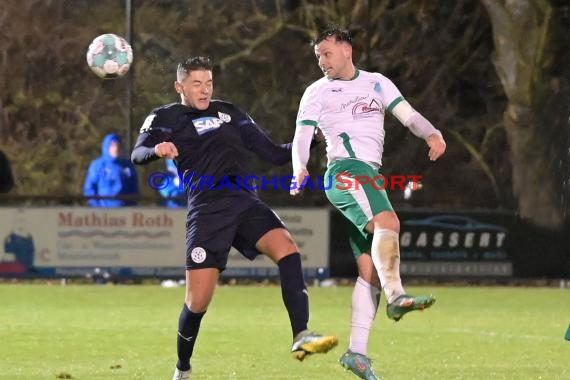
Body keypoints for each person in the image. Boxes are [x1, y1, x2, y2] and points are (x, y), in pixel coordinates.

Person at [131, 56, 338, 380]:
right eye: (197, 83)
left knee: (287, 248)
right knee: (197, 303)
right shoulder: (165, 118)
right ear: (179, 86)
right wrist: (157, 151)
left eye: (209, 83)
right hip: (208, 212)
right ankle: (182, 369)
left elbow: (271, 152)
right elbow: (137, 154)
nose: (204, 90)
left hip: (245, 203)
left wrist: (309, 140)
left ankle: (301, 335)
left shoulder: (230, 113)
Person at [290, 27, 446, 380]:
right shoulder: (316, 91)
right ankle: (397, 297)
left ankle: (356, 353)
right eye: (318, 56)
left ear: (347, 50)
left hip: (368, 173)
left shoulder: (376, 82)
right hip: (345, 170)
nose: (322, 61)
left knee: (370, 269)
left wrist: (432, 132)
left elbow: (408, 115)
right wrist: (300, 168)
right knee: (388, 223)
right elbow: (302, 135)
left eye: (327, 53)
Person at [83, 133, 139, 207]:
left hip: (124, 212)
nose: (116, 148)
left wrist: (130, 206)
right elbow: (89, 189)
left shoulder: (127, 166)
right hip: (103, 213)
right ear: (106, 147)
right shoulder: (97, 165)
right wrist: (97, 206)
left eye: (118, 145)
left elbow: (134, 188)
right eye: (112, 145)